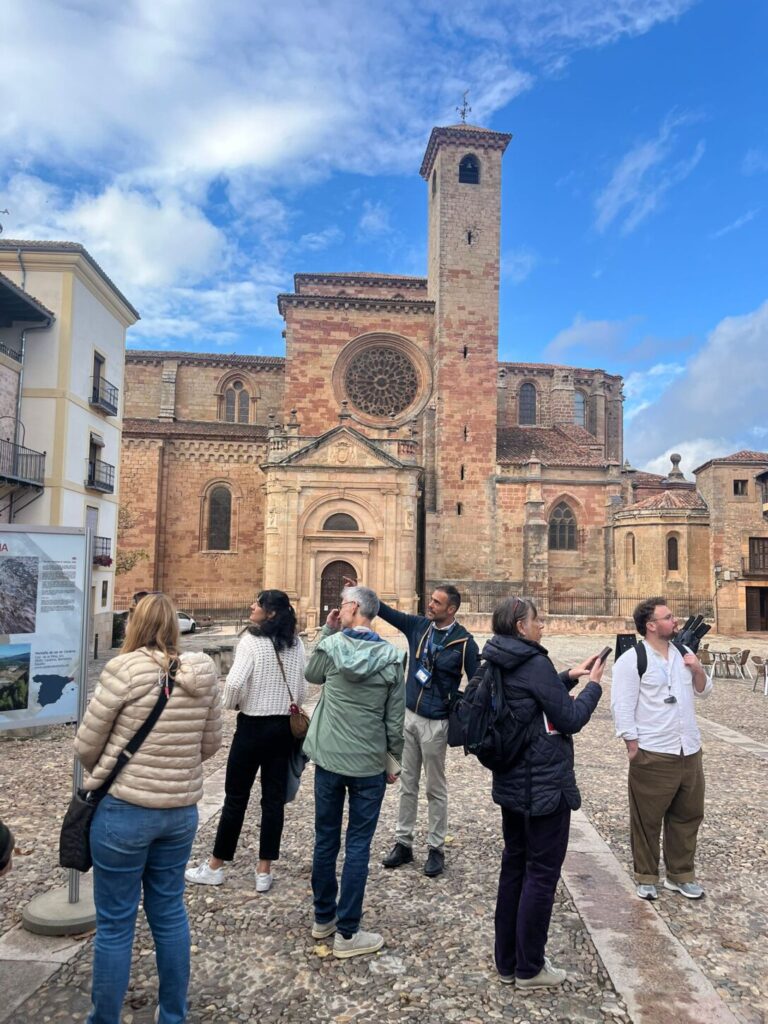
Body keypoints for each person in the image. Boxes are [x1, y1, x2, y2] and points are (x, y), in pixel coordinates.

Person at [74, 592, 221, 1024]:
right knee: (170, 913)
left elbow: (86, 744)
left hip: (125, 809)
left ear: (134, 624)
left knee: (116, 924)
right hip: (179, 813)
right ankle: (172, 1015)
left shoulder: (123, 670)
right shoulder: (203, 671)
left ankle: (105, 1019)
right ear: (175, 625)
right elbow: (210, 743)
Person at [484, 596, 604, 990]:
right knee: (541, 875)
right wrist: (594, 687)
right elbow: (569, 718)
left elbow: (530, 695)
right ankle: (530, 967)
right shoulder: (532, 661)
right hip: (544, 787)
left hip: (511, 783)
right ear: (520, 625)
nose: (543, 626)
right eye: (537, 620)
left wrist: (568, 675)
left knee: (514, 869)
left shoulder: (498, 657)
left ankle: (507, 962)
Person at [304, 585, 405, 959]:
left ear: (356, 608)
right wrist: (393, 761)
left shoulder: (331, 648)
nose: (339, 609)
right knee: (358, 845)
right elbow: (395, 720)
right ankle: (348, 932)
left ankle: (323, 918)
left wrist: (328, 631)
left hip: (329, 760)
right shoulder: (393, 658)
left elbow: (310, 674)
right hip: (367, 765)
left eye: (344, 605)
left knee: (325, 839)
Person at [185, 589, 306, 893]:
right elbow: (303, 690)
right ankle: (263, 871)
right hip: (283, 730)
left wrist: (231, 703)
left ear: (271, 613)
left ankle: (216, 865)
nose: (252, 607)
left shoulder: (252, 640)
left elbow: (235, 683)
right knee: (273, 801)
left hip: (252, 727)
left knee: (235, 798)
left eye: (258, 604)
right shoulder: (297, 643)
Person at [374, 582, 479, 878]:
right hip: (410, 716)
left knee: (435, 787)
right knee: (407, 783)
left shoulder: (464, 643)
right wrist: (365, 594)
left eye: (436, 602)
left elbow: (477, 684)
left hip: (436, 724)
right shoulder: (419, 627)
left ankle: (435, 847)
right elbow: (387, 612)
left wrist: (456, 704)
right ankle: (403, 842)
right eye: (431, 600)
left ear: (451, 609)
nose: (430, 605)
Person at [611, 597, 711, 902]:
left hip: (688, 750)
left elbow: (705, 691)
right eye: (668, 617)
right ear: (651, 625)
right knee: (647, 820)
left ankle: (681, 875)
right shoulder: (632, 660)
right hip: (654, 751)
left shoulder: (685, 653)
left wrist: (696, 669)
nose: (675, 621)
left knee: (688, 815)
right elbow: (622, 705)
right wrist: (632, 746)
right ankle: (646, 876)